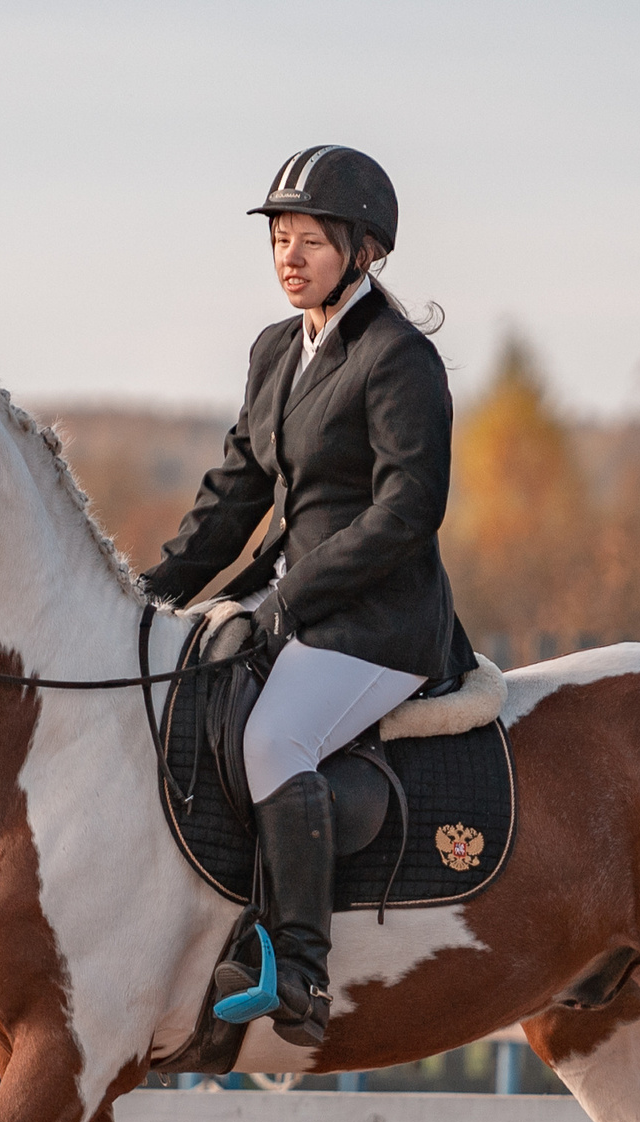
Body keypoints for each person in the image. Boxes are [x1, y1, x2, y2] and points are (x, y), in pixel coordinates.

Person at [139, 145, 477, 1046]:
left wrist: (291, 597)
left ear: (364, 250)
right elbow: (235, 491)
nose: (289, 257)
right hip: (300, 605)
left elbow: (409, 510)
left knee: (274, 734)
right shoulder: (274, 350)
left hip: (380, 622)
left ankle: (300, 968)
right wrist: (148, 591)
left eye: (310, 242)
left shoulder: (399, 358)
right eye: (280, 240)